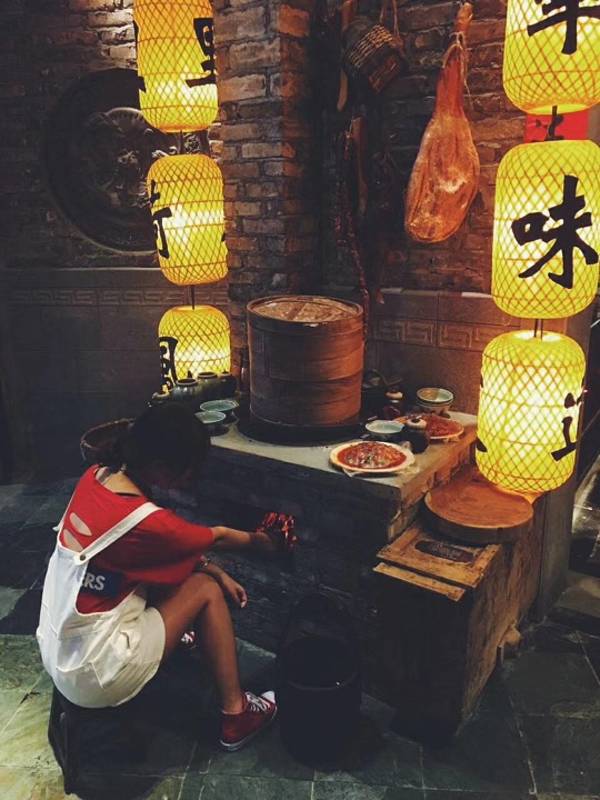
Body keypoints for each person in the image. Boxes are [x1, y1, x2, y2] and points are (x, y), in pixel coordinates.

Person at [36, 403, 277, 752]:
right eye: (189, 471)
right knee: (205, 590)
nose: (191, 479)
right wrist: (263, 541)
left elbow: (153, 552)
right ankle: (236, 714)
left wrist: (213, 567)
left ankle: (174, 637)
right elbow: (219, 536)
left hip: (59, 647)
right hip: (98, 672)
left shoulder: (96, 478)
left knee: (181, 577)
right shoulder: (150, 523)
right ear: (162, 468)